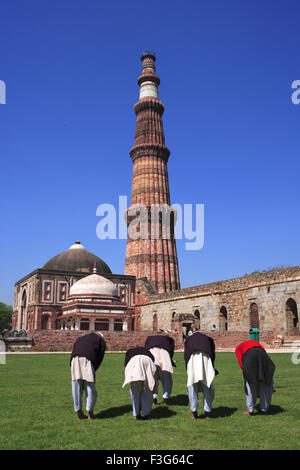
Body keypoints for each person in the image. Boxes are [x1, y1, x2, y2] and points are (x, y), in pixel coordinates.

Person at [70, 331, 106, 420]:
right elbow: (100, 356)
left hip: (74, 359)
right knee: (90, 388)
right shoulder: (100, 340)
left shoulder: (81, 338)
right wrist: (94, 368)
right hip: (88, 360)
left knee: (76, 388)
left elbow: (74, 349)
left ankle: (79, 412)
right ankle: (90, 413)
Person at [235, 340, 275, 415]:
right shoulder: (257, 345)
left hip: (250, 357)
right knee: (265, 381)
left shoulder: (238, 348)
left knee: (250, 384)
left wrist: (245, 370)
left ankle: (250, 411)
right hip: (262, 356)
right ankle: (264, 410)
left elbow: (241, 362)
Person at [184, 331, 217, 419]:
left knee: (192, 385)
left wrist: (187, 367)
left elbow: (186, 354)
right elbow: (212, 354)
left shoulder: (189, 339)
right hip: (206, 358)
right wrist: (212, 367)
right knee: (207, 385)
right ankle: (207, 412)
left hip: (193, 359)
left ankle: (194, 412)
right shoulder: (207, 339)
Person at [123, 346, 157, 420]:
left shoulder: (129, 352)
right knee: (147, 388)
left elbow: (126, 364)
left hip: (134, 361)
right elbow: (153, 360)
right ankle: (146, 413)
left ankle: (136, 414)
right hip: (147, 360)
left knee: (135, 390)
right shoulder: (147, 351)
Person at [145, 335, 176, 406]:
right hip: (163, 354)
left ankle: (154, 398)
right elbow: (171, 350)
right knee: (166, 379)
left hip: (152, 353)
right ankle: (166, 399)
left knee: (152, 378)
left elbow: (146, 349)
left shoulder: (150, 339)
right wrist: (170, 360)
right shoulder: (168, 340)